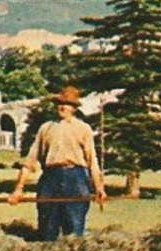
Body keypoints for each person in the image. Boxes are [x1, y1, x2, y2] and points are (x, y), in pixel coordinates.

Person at [8, 86, 106, 240]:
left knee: (74, 229)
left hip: (76, 178)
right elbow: (29, 162)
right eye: (59, 103)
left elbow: (92, 161)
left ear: (74, 108)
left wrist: (99, 188)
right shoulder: (45, 128)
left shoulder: (83, 129)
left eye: (66, 104)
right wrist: (18, 190)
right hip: (50, 179)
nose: (62, 107)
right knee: (47, 227)